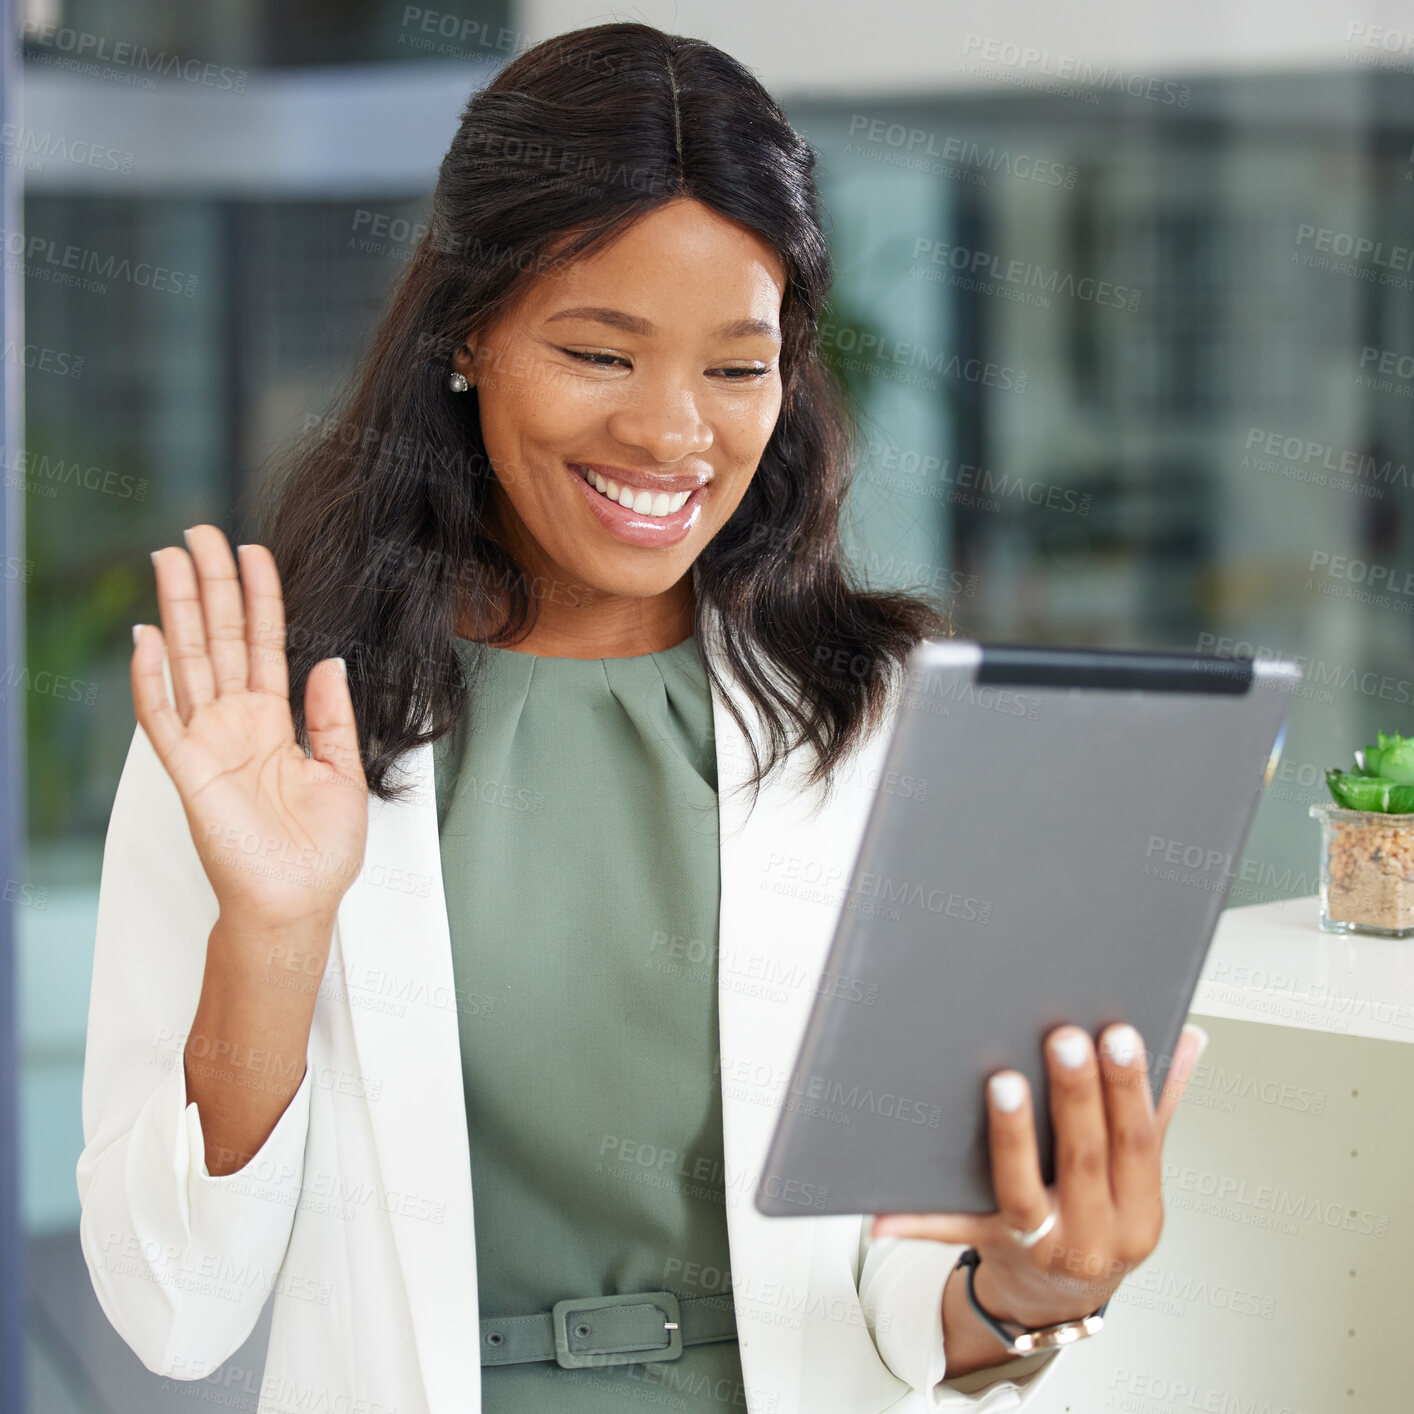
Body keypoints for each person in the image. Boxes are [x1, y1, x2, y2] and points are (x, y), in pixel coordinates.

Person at [76, 20, 1207, 1414]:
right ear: (467, 337)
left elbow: (894, 1283)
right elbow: (173, 1304)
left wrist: (1023, 1293)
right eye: (601, 353)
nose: (673, 434)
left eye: (736, 366)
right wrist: (274, 932)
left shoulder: (873, 721)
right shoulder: (258, 734)